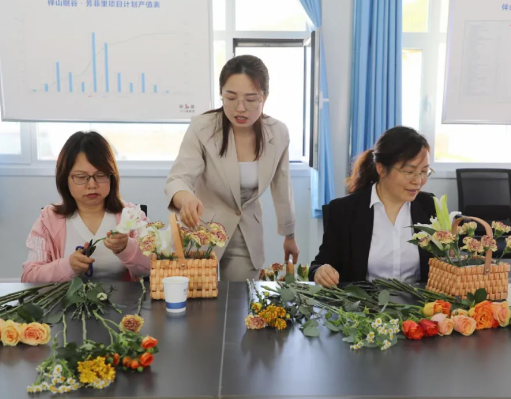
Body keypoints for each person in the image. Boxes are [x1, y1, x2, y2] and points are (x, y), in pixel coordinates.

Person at [165, 55, 298, 281]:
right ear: (221, 94)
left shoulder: (278, 133)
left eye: (251, 99)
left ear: (265, 97)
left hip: (247, 233)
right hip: (202, 229)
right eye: (231, 97)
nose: (240, 108)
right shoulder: (203, 128)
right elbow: (178, 178)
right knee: (198, 298)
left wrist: (289, 235)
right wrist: (186, 198)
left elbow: (281, 186)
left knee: (241, 299)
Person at [309, 126, 437, 288]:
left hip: (419, 302)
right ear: (381, 169)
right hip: (363, 302)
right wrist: (321, 271)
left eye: (424, 171)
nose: (418, 181)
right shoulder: (345, 211)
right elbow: (318, 265)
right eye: (409, 172)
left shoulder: (429, 206)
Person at [22, 132, 150, 283]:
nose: (92, 185)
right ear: (65, 179)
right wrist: (68, 266)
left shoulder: (132, 216)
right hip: (67, 299)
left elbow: (153, 266)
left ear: (112, 177)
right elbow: (29, 277)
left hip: (123, 298)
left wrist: (126, 247)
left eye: (100, 175)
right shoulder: (48, 220)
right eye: (81, 177)